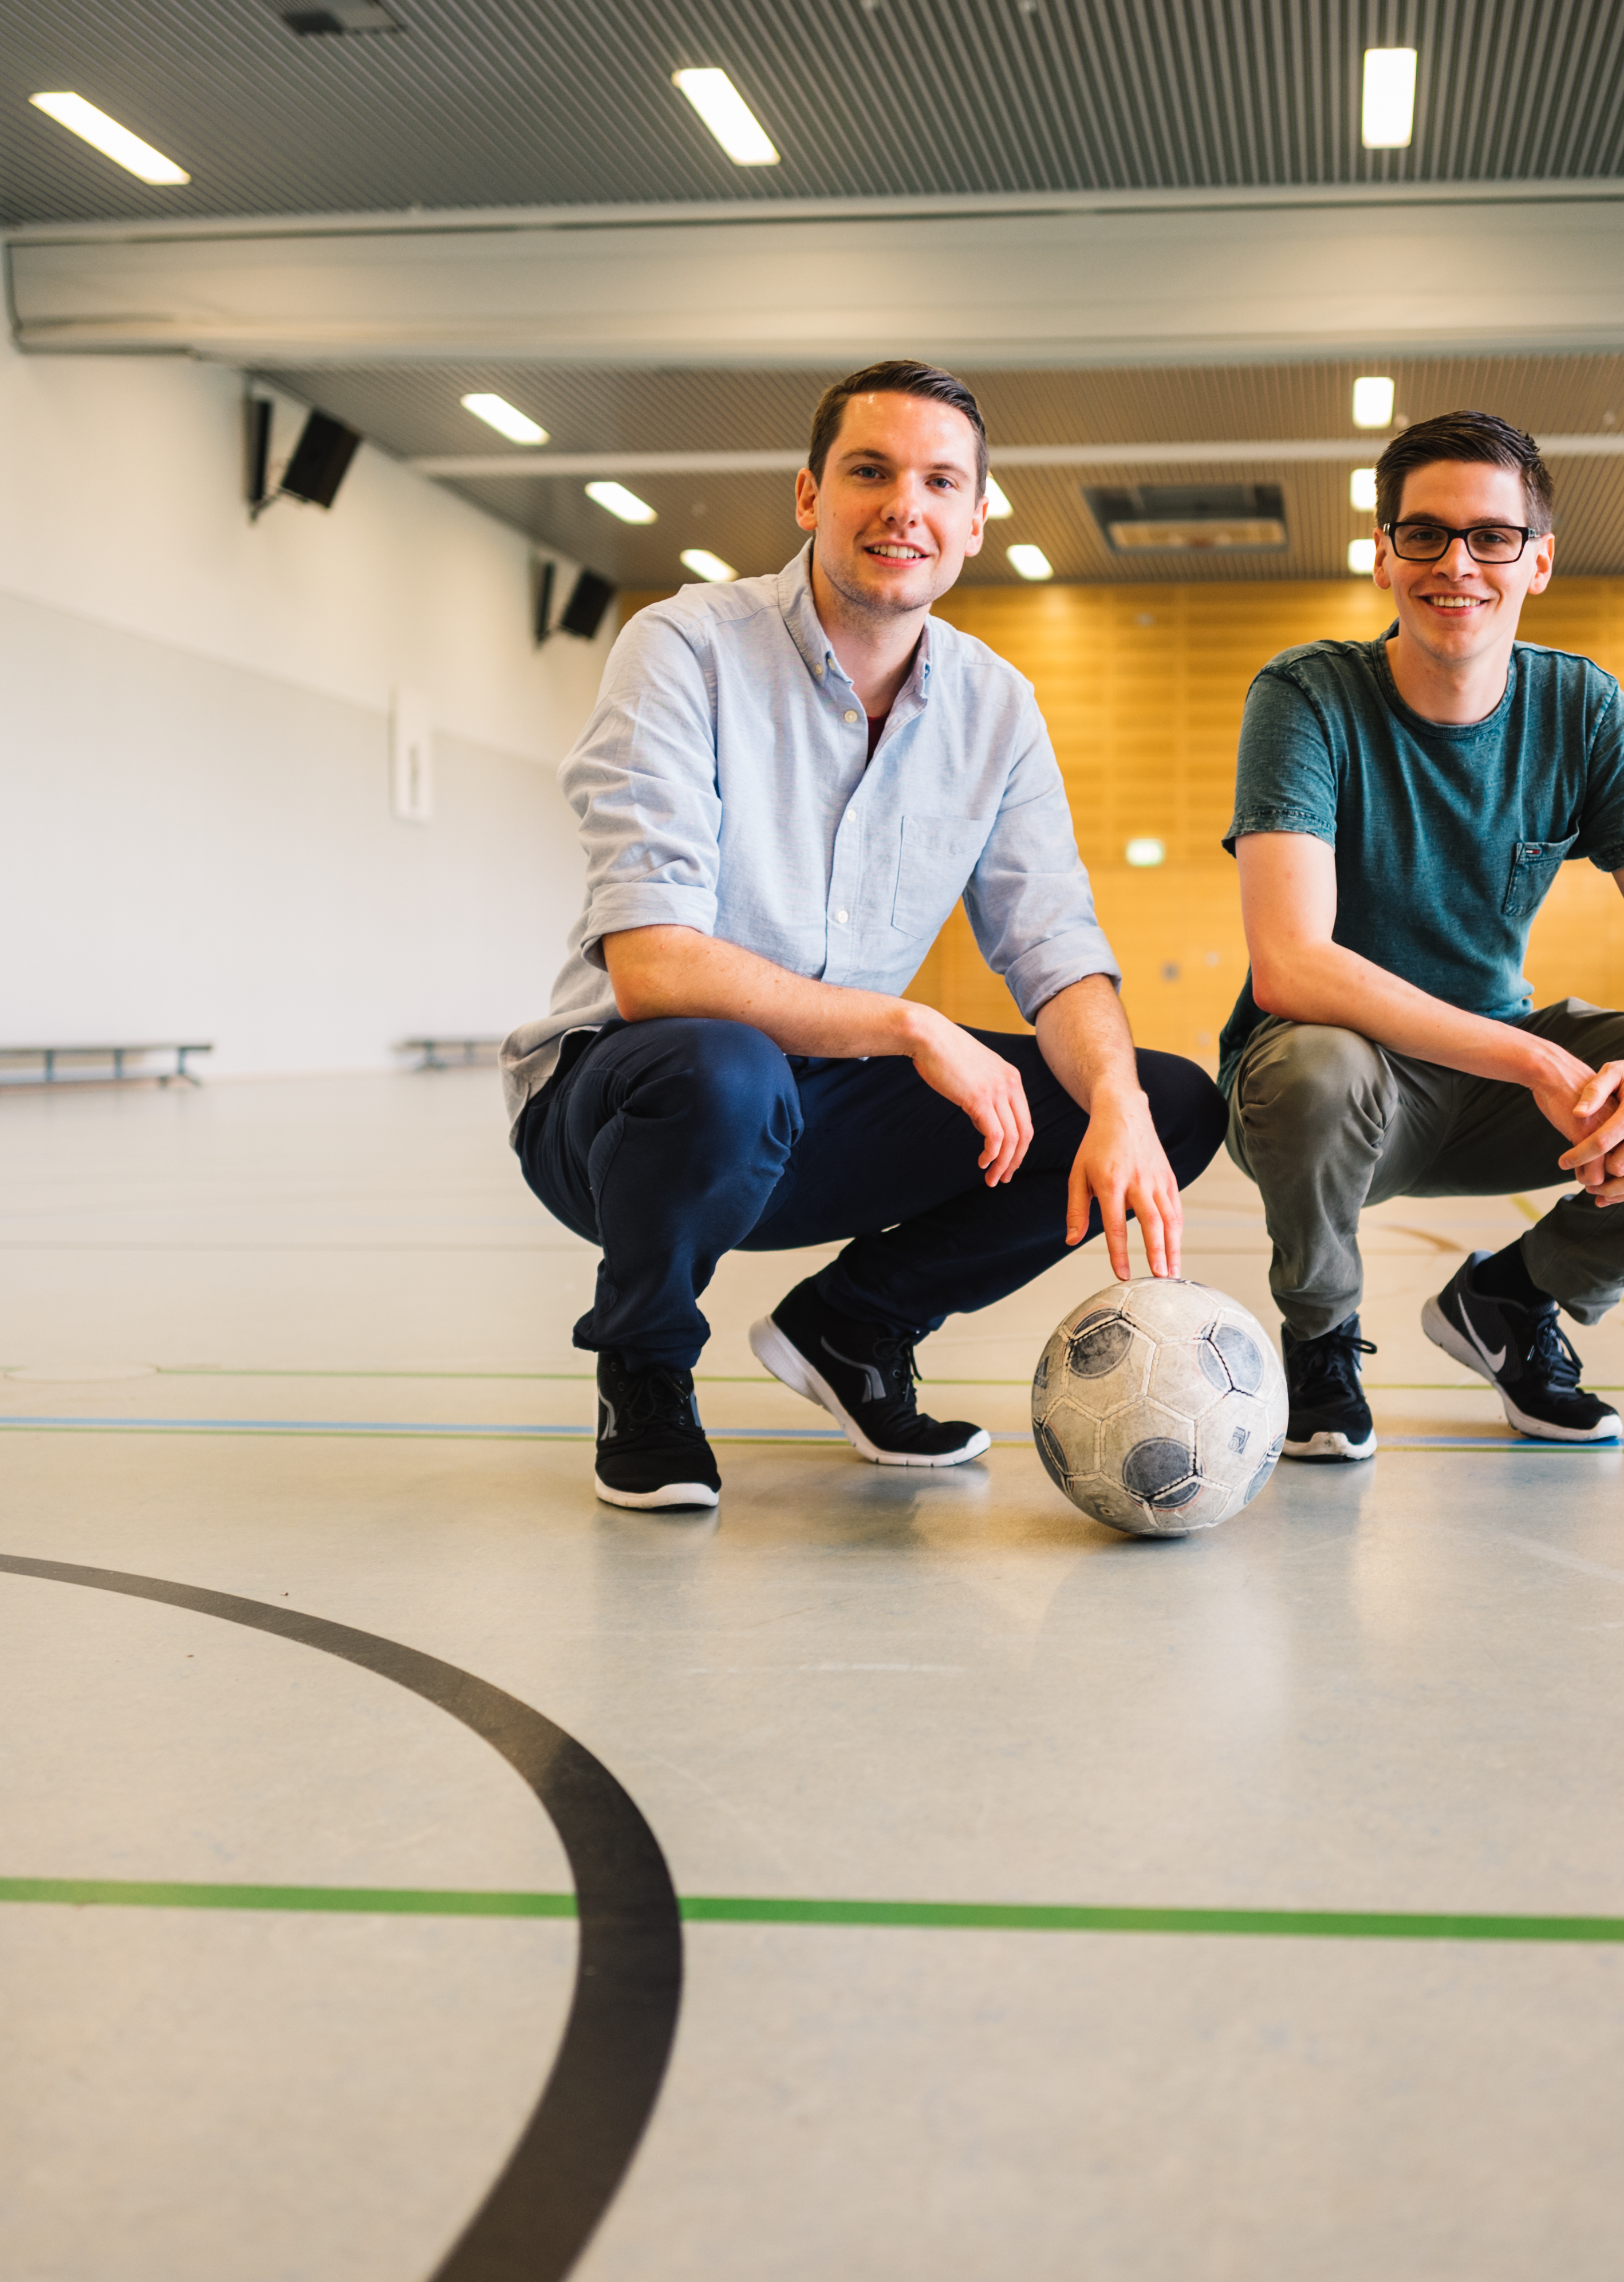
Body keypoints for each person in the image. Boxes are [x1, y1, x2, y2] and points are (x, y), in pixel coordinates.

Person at [505, 359, 1227, 1512]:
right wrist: (910, 1024)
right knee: (721, 1063)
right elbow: (653, 968)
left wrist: (1124, 1110)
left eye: (943, 481)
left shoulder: (996, 707)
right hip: (623, 1112)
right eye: (871, 472)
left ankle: (853, 1329)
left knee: (1171, 1097)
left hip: (818, 1109)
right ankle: (643, 1370)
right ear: (808, 495)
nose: (907, 506)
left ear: (976, 520)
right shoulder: (683, 648)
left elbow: (1058, 948)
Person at [1219, 410, 1624, 1456]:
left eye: (1492, 537)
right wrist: (1534, 1056)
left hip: (1496, 1085)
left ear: (1537, 560)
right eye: (1426, 535)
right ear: (1383, 557)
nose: (1457, 563)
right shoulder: (1307, 697)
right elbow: (1291, 965)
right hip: (1340, 1091)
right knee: (1318, 1068)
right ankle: (1321, 1341)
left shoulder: (1581, 709)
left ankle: (1514, 1300)